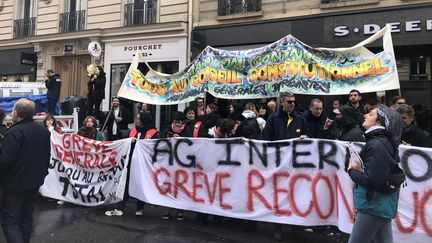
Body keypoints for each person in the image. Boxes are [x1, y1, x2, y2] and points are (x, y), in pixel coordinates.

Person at [348, 105, 403, 243]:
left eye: (371, 114)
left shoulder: (376, 144)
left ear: (379, 122)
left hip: (372, 206)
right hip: (379, 205)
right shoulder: (381, 142)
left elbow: (372, 181)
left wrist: (352, 171)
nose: (365, 115)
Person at [0, 98, 51, 243]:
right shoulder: (43, 131)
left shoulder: (15, 132)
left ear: (17, 113)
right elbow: (46, 156)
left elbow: (6, 160)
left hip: (15, 184)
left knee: (10, 222)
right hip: (34, 182)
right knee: (26, 219)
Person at [262, 92, 307, 240]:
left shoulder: (300, 118)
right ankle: (278, 226)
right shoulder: (273, 118)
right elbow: (266, 139)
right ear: (282, 102)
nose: (292, 104)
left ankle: (295, 226)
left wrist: (305, 138)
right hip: (278, 165)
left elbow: (308, 136)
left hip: (294, 165)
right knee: (278, 196)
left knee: (295, 196)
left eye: (293, 102)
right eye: (289, 102)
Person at [105, 111, 158, 217]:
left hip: (143, 164)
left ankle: (140, 207)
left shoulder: (153, 133)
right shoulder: (133, 131)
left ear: (143, 121)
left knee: (140, 184)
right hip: (130, 161)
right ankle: (120, 206)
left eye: (138, 119)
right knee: (126, 182)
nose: (136, 120)